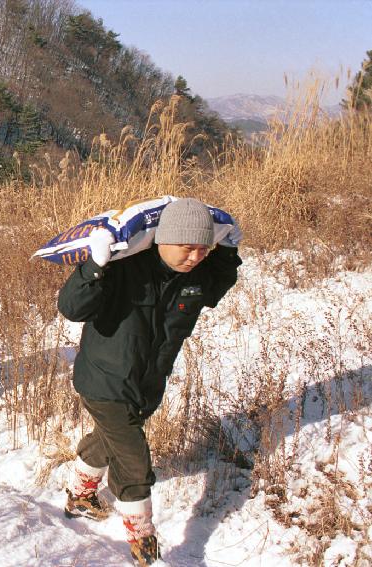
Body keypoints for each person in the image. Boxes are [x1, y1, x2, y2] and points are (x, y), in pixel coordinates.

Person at [57, 198, 242, 566]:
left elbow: (221, 282)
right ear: (164, 240)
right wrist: (94, 265)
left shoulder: (199, 275)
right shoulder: (124, 269)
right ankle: (144, 544)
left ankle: (80, 494)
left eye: (203, 248)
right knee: (134, 461)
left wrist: (229, 251)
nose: (195, 255)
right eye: (187, 247)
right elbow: (72, 307)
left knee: (111, 440)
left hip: (147, 384)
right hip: (104, 381)